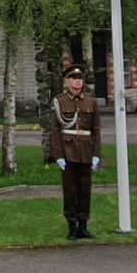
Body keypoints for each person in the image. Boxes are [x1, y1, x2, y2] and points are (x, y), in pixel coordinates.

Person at [49, 61, 101, 240]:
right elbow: (55, 130)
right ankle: (71, 225)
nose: (78, 82)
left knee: (85, 190)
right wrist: (58, 155)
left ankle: (83, 225)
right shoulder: (59, 101)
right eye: (74, 78)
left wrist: (96, 154)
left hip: (86, 150)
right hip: (68, 150)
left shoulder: (91, 101)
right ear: (66, 81)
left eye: (80, 78)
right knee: (70, 190)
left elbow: (96, 130)